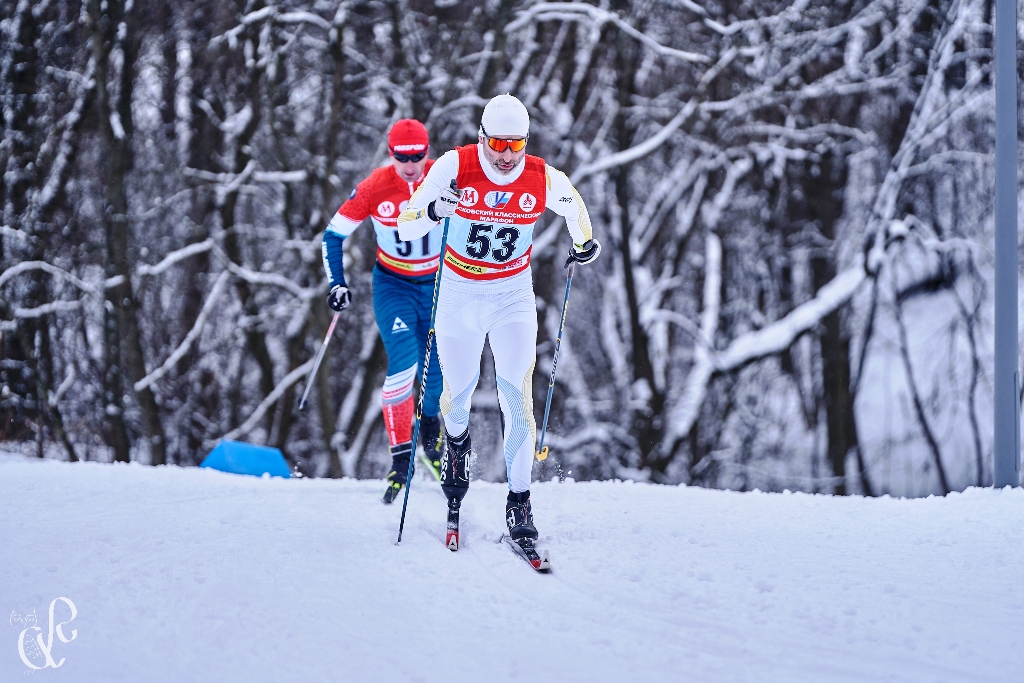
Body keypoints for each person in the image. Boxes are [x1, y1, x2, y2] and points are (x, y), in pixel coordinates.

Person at [397, 94, 600, 548]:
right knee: (460, 395)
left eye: (517, 145)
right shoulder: (454, 166)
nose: (507, 156)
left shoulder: (540, 175)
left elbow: (575, 207)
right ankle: (456, 450)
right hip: (459, 293)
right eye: (498, 145)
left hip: (511, 295)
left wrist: (584, 243)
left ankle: (520, 501)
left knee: (516, 395)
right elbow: (407, 224)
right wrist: (434, 211)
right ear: (482, 138)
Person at [321, 119, 447, 504]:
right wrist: (336, 283)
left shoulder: (445, 178)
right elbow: (333, 234)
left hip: (442, 285)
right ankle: (400, 457)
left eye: (418, 156)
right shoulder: (376, 186)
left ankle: (430, 435)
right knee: (405, 363)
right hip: (394, 285)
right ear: (390, 153)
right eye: (401, 157)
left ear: (427, 152)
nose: (410, 166)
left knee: (439, 372)